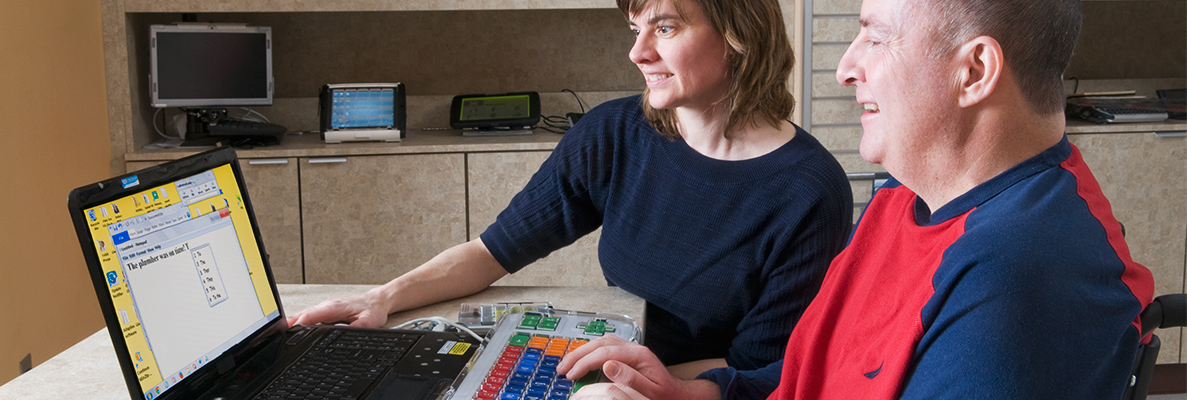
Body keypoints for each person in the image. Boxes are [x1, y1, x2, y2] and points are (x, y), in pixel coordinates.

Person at [557, 0, 1157, 398]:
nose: (847, 66)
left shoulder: (1018, 280)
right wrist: (694, 391)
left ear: (974, 72)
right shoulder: (908, 195)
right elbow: (836, 370)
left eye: (877, 38)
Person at [287, 0, 853, 379]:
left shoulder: (807, 191)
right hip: (618, 370)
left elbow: (759, 375)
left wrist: (629, 380)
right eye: (637, 29)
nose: (638, 53)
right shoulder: (615, 133)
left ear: (738, 35)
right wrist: (382, 298)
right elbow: (492, 252)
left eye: (667, 26)